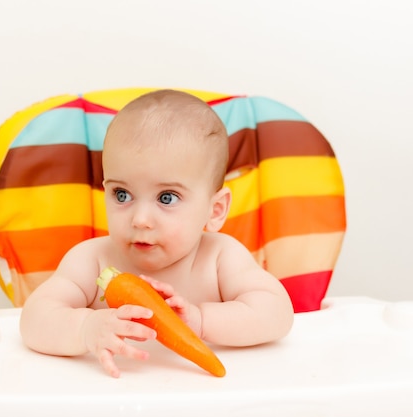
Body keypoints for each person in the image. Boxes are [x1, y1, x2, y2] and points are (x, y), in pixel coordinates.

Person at [19, 89, 294, 378]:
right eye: (122, 194)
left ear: (214, 211)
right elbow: (34, 319)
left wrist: (202, 321)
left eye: (166, 198)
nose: (140, 219)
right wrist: (85, 329)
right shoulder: (91, 261)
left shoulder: (221, 258)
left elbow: (277, 313)